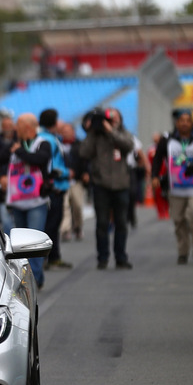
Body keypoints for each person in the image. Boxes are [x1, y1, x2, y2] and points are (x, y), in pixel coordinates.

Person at [78, 107, 135, 270]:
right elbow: (84, 152)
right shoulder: (95, 136)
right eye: (109, 117)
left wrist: (111, 131)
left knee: (121, 223)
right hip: (101, 184)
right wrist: (91, 132)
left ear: (120, 119)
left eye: (114, 117)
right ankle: (102, 258)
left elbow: (128, 146)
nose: (111, 120)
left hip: (121, 185)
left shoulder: (124, 133)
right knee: (102, 223)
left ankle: (121, 257)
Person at [152, 109, 193, 265]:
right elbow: (157, 159)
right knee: (178, 220)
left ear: (192, 123)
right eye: (181, 120)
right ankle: (183, 252)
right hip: (175, 187)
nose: (184, 123)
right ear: (176, 123)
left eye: (187, 120)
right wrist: (155, 176)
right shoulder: (167, 140)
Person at [4, 113, 52, 288]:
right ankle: (27, 278)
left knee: (35, 242)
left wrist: (20, 152)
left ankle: (35, 280)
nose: (16, 128)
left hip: (36, 201)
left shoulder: (43, 143)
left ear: (27, 127)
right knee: (21, 244)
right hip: (18, 201)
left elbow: (40, 159)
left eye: (18, 125)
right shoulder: (14, 144)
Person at [36, 108, 71, 270]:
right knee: (50, 224)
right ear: (54, 122)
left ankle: (54, 256)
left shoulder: (48, 138)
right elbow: (51, 165)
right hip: (55, 186)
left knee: (53, 223)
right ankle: (47, 258)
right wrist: (65, 173)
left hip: (55, 186)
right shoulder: (48, 139)